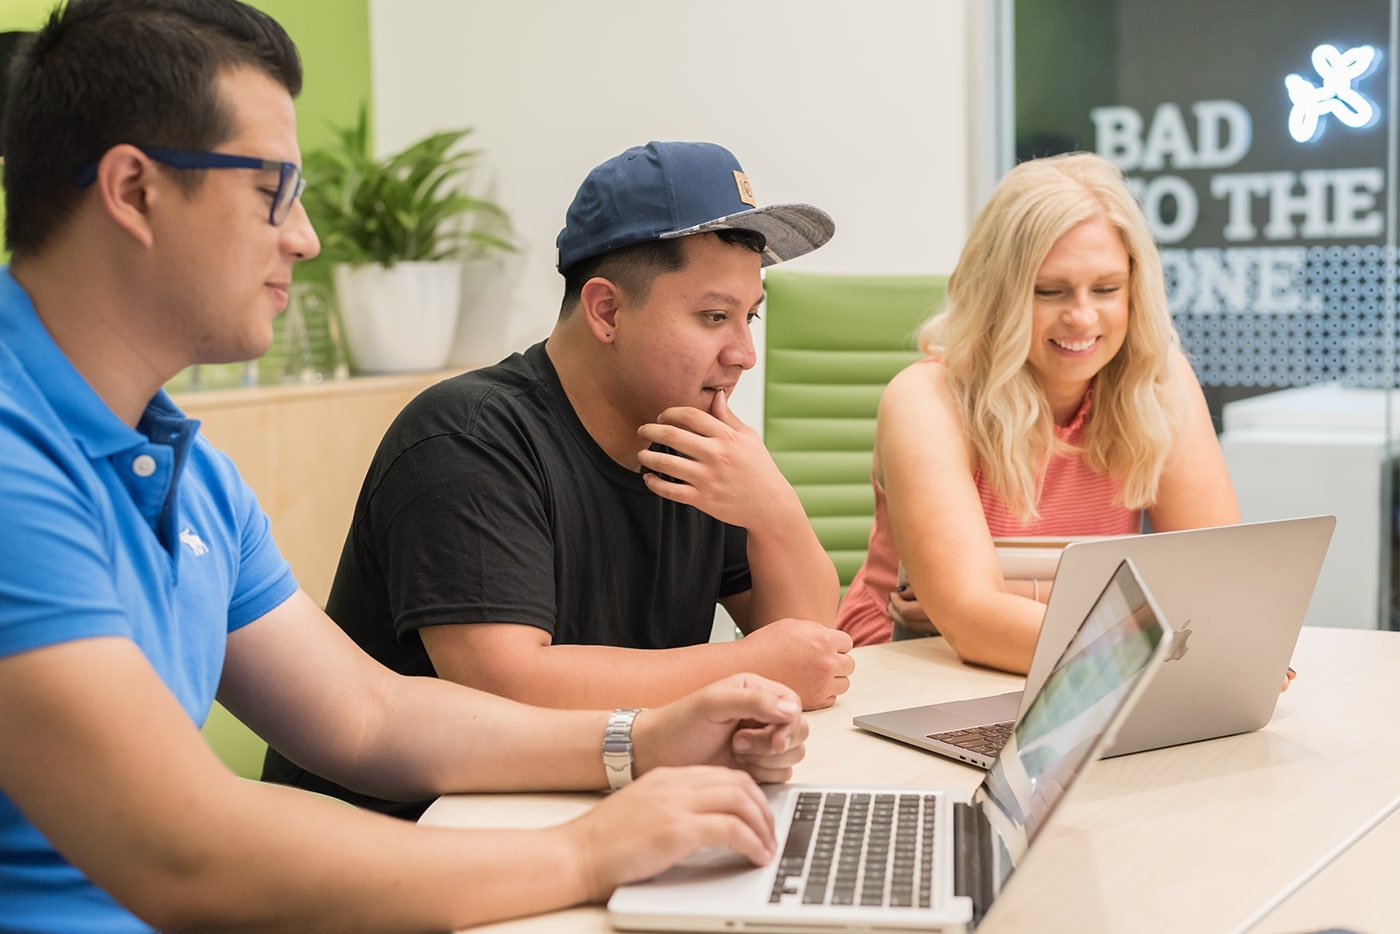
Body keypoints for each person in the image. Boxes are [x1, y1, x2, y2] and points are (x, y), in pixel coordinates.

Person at [0, 3, 811, 930]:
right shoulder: (14, 464)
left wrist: (641, 740)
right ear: (134, 190)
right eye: (274, 191)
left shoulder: (185, 468)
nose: (303, 237)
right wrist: (587, 850)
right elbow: (183, 852)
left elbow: (368, 714)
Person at [261, 139, 855, 815]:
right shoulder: (467, 436)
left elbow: (810, 651)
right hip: (402, 839)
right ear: (605, 311)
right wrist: (747, 672)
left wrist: (774, 510)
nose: (744, 353)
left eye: (750, 317)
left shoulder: (696, 442)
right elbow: (501, 683)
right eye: (714, 316)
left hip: (581, 802)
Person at [836, 152, 1241, 673]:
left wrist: (1208, 644)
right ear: (996, 295)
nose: (1082, 316)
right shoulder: (926, 398)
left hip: (1088, 671)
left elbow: (1218, 581)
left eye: (1106, 289)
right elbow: (973, 624)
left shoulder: (1159, 380)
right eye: (1049, 291)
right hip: (912, 668)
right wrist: (1166, 644)